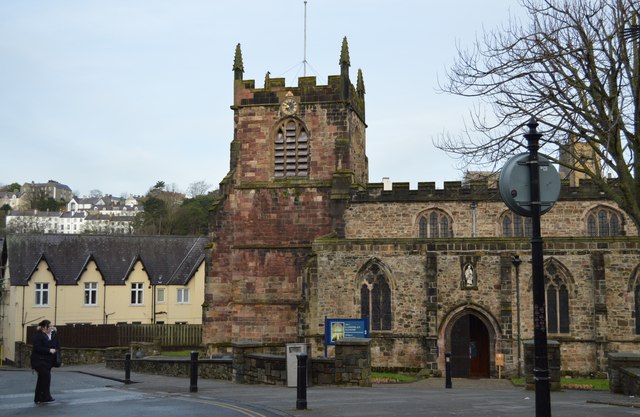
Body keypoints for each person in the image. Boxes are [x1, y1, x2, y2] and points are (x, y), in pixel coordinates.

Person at [31, 319, 59, 404]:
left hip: (46, 362)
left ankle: (38, 398)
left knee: (42, 379)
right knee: (46, 378)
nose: (51, 327)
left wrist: (53, 333)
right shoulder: (39, 336)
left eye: (51, 326)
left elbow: (54, 343)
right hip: (39, 361)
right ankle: (45, 397)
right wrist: (49, 350)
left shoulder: (47, 335)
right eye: (49, 326)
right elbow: (37, 348)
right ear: (44, 327)